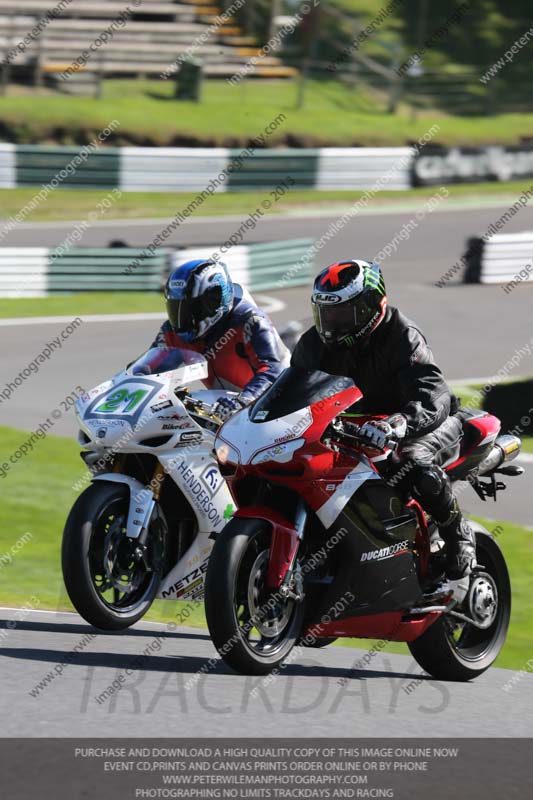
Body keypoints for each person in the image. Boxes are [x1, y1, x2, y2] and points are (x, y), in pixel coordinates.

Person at [291, 258, 476, 583]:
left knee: (412, 461)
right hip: (357, 429)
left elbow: (434, 395)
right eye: (326, 312)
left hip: (422, 422)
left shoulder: (402, 335)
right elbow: (292, 391)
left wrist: (399, 423)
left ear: (370, 306)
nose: (332, 322)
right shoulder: (313, 344)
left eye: (342, 312)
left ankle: (458, 534)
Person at [151, 258, 289, 420]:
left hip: (276, 407)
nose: (182, 319)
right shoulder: (171, 332)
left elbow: (273, 369)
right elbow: (148, 372)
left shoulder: (249, 320)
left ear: (214, 300)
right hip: (221, 409)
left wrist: (243, 401)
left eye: (190, 309)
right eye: (175, 308)